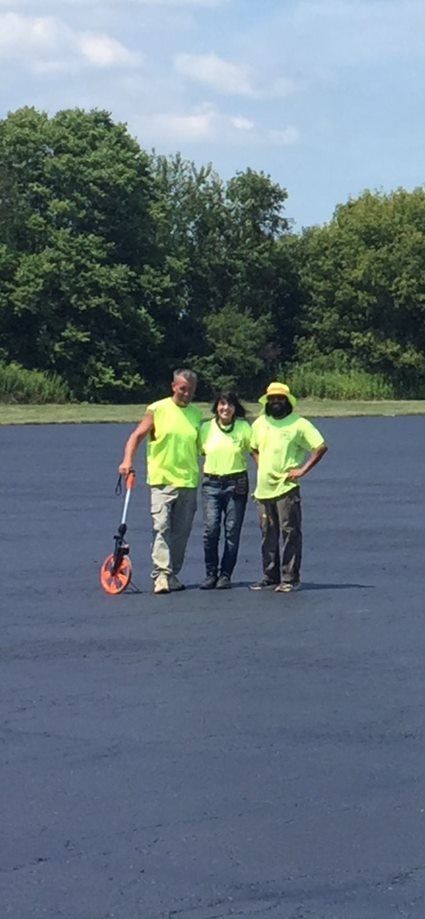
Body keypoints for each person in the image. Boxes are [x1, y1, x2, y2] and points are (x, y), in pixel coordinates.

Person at [118, 369, 201, 595]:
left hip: (188, 481)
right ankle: (161, 574)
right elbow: (136, 436)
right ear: (173, 387)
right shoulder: (157, 409)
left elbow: (203, 447)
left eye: (191, 390)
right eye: (183, 389)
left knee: (181, 533)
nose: (186, 394)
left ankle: (172, 573)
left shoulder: (196, 415)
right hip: (162, 480)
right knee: (161, 527)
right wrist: (127, 460)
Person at [250, 381, 328, 593]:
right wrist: (262, 466)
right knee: (267, 533)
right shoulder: (259, 423)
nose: (276, 402)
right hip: (263, 489)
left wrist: (303, 470)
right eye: (272, 399)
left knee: (289, 532)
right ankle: (270, 576)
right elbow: (253, 448)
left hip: (286, 488)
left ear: (287, 401)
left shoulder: (299, 424)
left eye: (280, 398)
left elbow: (320, 447)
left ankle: (290, 578)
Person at [199, 392, 252, 590]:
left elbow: (255, 451)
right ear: (216, 407)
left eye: (230, 405)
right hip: (211, 483)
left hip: (236, 483)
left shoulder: (244, 428)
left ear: (235, 408)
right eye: (222, 404)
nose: (226, 408)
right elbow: (199, 451)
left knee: (232, 531)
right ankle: (210, 574)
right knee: (211, 529)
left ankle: (225, 574)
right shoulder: (206, 428)